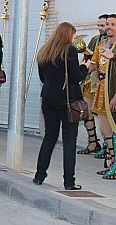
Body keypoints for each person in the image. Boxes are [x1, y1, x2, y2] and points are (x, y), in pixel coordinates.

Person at [34, 22, 90, 190]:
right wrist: (85, 67)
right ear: (68, 35)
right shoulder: (70, 50)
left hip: (48, 99)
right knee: (69, 141)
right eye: (74, 35)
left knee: (49, 138)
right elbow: (76, 76)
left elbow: (43, 78)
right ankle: (69, 182)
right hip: (68, 101)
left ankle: (39, 176)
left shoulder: (45, 51)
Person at [89, 14, 116, 178]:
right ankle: (110, 162)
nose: (109, 27)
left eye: (113, 24)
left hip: (113, 93)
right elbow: (92, 65)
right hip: (101, 92)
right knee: (104, 129)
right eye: (108, 24)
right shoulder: (101, 45)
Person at [77, 14, 108, 155]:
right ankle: (93, 142)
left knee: (105, 115)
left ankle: (108, 148)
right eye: (99, 25)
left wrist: (91, 54)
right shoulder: (96, 39)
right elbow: (89, 61)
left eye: (103, 25)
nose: (100, 28)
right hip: (91, 80)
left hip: (105, 82)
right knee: (87, 111)